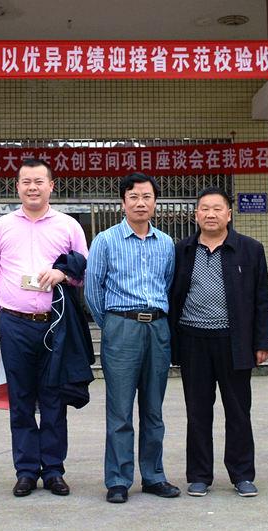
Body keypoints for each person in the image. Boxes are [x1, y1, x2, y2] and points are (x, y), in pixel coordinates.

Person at [0, 159, 88, 497]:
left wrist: (63, 274)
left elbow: (83, 269)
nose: (32, 187)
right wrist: (7, 306)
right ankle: (26, 470)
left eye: (39, 181)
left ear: (51, 186)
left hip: (55, 324)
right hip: (15, 324)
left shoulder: (68, 226)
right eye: (26, 181)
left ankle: (53, 470)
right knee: (21, 398)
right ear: (17, 187)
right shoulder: (1, 226)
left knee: (54, 397)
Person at [169, 187, 268, 498]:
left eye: (217, 208)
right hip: (193, 340)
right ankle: (199, 475)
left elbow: (261, 299)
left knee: (238, 411)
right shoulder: (182, 250)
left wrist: (262, 342)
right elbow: (172, 296)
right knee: (197, 411)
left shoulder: (250, 249)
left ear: (229, 214)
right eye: (205, 208)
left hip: (234, 341)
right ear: (195, 215)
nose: (211, 214)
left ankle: (242, 475)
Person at [85, 172, 180, 504]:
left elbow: (168, 284)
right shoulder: (105, 240)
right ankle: (118, 479)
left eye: (147, 197)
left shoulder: (166, 243)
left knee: (154, 408)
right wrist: (112, 325)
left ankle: (154, 476)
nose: (141, 203)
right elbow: (92, 290)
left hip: (157, 328)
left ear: (155, 202)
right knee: (120, 410)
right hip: (121, 328)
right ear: (123, 202)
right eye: (134, 197)